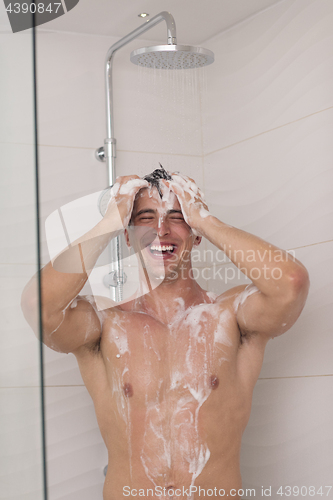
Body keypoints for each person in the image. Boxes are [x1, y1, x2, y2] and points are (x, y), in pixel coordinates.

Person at [22, 167, 309, 500]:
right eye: (145, 218)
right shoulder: (105, 325)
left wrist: (204, 219)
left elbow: (290, 284)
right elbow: (38, 305)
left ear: (196, 234)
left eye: (177, 217)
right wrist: (108, 224)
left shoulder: (231, 317)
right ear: (127, 235)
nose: (161, 230)